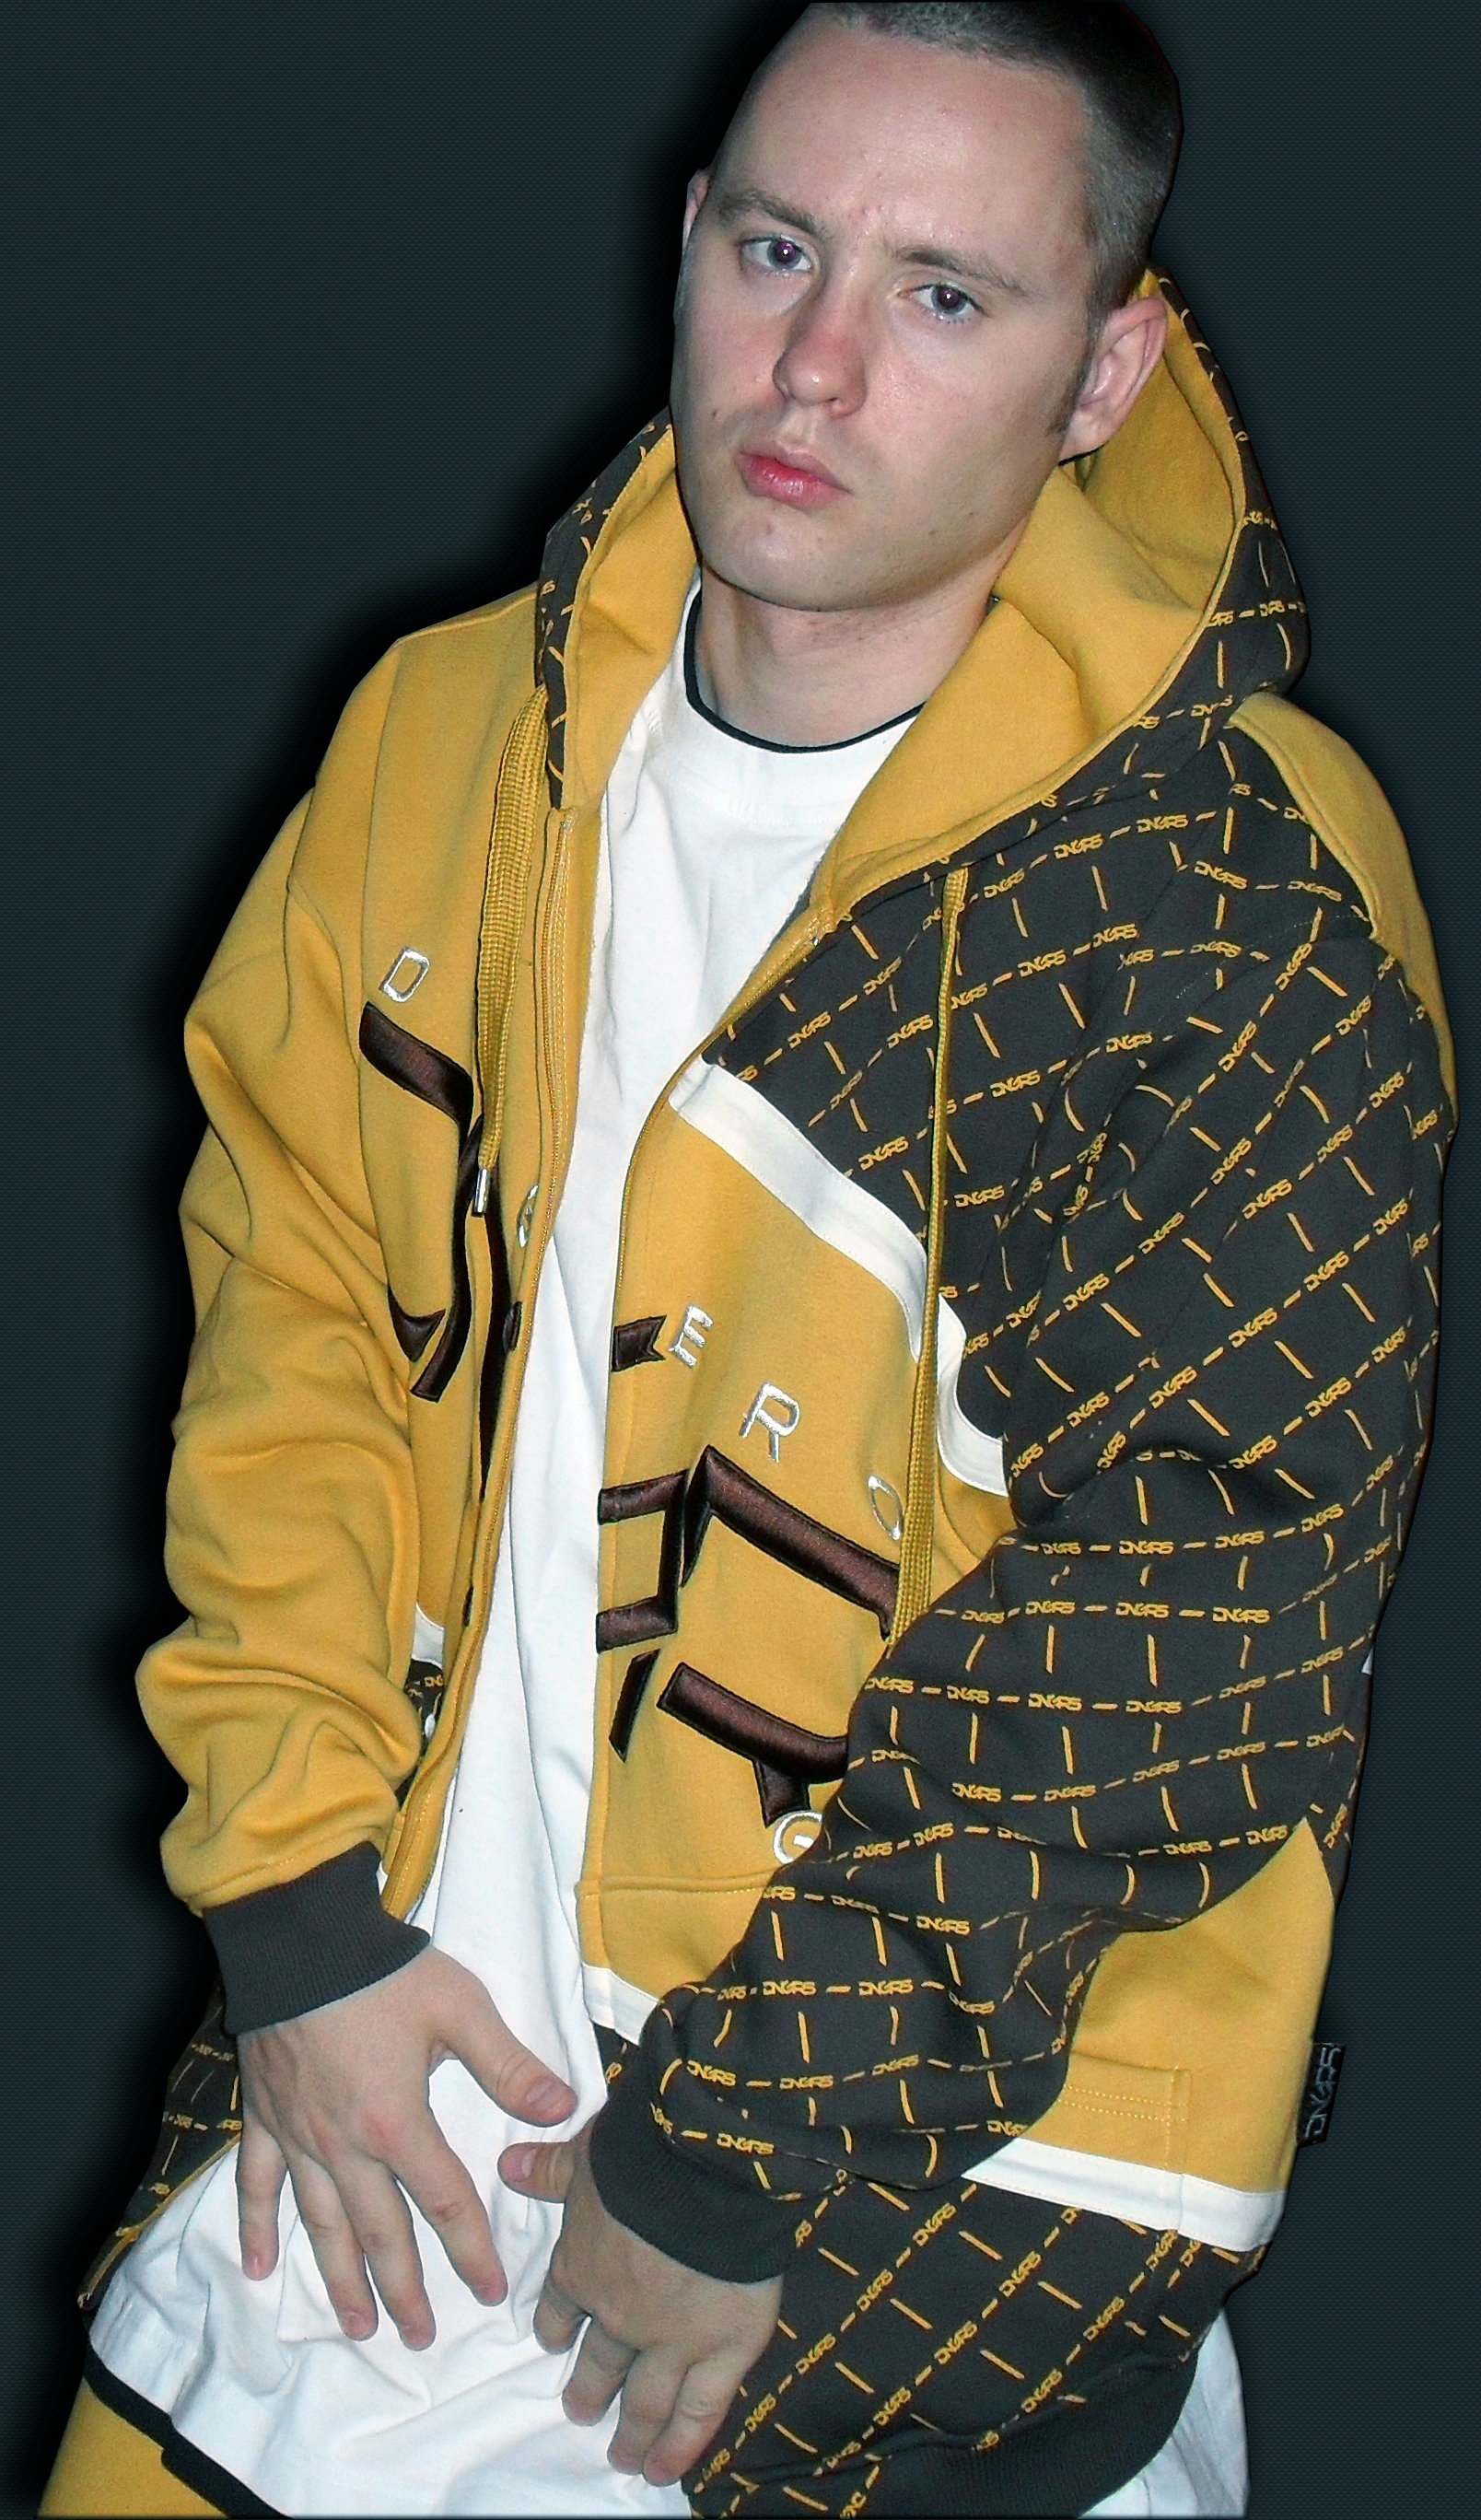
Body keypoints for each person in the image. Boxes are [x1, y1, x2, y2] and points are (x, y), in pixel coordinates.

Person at [41, 5, 1452, 2514]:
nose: (816, 366)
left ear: (1108, 369)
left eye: (945, 296)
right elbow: (299, 1319)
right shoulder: (450, 736)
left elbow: (1196, 1613)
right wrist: (288, 1893)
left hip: (872, 2221)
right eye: (780, 250)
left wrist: (740, 2151)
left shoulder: (1233, 893)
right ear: (686, 237)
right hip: (376, 2108)